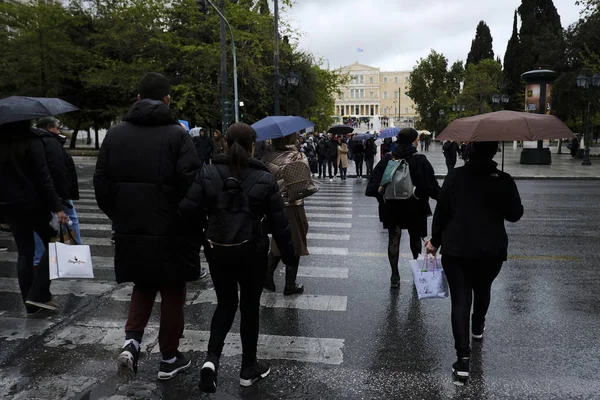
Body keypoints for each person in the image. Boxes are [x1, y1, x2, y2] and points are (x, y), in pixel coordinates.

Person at [94, 72, 202, 380]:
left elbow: (101, 184)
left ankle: (131, 342)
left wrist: (122, 215)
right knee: (172, 291)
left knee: (142, 285)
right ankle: (169, 358)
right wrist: (183, 219)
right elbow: (194, 185)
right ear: (168, 100)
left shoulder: (114, 135)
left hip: (131, 228)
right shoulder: (178, 136)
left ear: (138, 98)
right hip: (172, 231)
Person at [179, 122, 296, 392]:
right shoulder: (264, 178)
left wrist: (203, 239)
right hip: (252, 252)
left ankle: (211, 360)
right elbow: (280, 223)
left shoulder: (208, 173)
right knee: (249, 308)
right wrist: (289, 257)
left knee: (225, 304)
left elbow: (186, 211)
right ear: (253, 146)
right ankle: (247, 368)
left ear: (227, 143)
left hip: (218, 251)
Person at [425, 141, 523, 382]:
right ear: (494, 152)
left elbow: (442, 213)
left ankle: (462, 360)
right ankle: (478, 326)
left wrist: (434, 241)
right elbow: (515, 215)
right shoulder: (503, 178)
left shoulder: (455, 177)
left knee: (460, 300)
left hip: (457, 248)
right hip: (491, 250)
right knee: (483, 290)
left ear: (470, 151)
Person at [0, 120, 68, 314]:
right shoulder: (33, 142)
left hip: (10, 206)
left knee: (24, 251)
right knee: (55, 244)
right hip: (34, 204)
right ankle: (37, 294)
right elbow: (43, 177)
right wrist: (58, 207)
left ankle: (29, 300)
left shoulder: (2, 143)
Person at [366, 128, 440, 288]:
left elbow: (372, 186)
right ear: (414, 141)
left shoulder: (388, 159)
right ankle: (417, 273)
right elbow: (432, 186)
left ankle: (394, 275)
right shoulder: (420, 160)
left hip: (392, 207)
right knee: (415, 238)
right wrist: (444, 200)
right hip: (415, 206)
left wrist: (383, 198)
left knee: (394, 238)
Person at [262, 133, 309, 295]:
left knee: (278, 240)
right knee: (294, 243)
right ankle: (289, 284)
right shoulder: (297, 155)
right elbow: (304, 182)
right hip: (292, 204)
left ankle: (268, 274)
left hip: (274, 204)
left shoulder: (267, 156)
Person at [32, 117, 81, 268]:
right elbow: (58, 171)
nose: (59, 130)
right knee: (71, 220)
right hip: (57, 193)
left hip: (37, 193)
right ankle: (76, 257)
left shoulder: (33, 142)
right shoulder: (52, 143)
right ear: (49, 127)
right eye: (57, 127)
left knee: (39, 225)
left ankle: (38, 260)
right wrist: (62, 196)